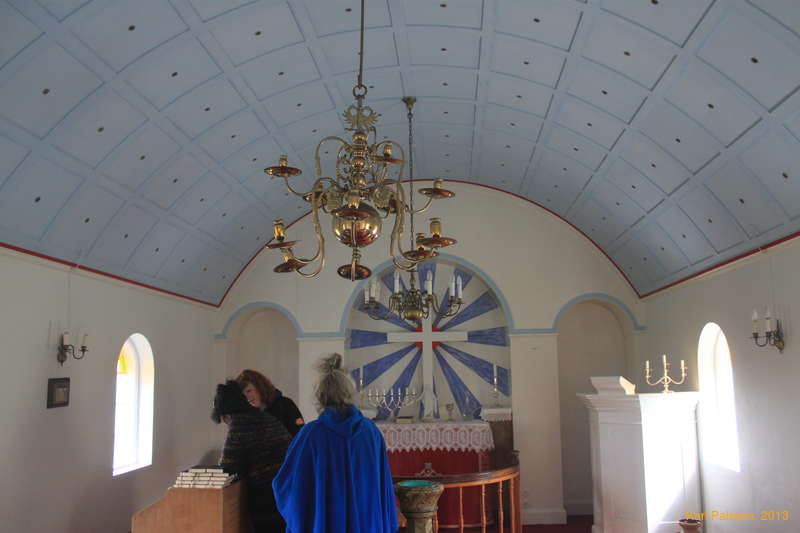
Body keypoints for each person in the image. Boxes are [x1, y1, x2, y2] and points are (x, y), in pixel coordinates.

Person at [272, 353, 398, 533]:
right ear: (349, 393)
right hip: (366, 524)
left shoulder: (310, 435)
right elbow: (383, 489)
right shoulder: (371, 433)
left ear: (320, 396)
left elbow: (286, 485)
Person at [211, 380, 291, 533]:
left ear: (227, 414)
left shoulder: (240, 425)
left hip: (267, 498)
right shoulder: (267, 418)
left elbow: (228, 468)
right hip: (288, 490)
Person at [236, 369, 305, 437]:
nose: (246, 397)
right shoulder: (245, 415)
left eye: (249, 391)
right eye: (242, 395)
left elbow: (300, 435)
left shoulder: (285, 404)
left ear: (260, 387)